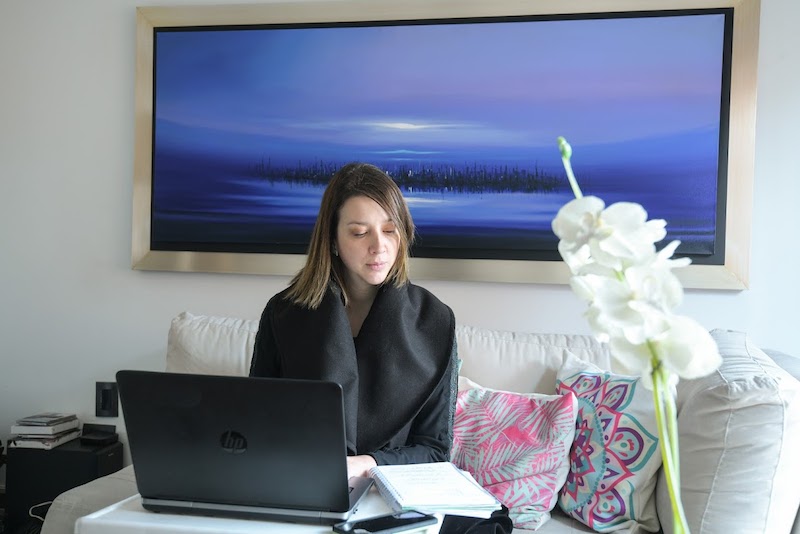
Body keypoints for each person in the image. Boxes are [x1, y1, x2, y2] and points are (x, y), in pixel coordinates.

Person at [250, 162, 458, 479]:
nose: (379, 246)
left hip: (395, 487)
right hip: (302, 480)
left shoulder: (436, 321)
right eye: (360, 233)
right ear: (332, 239)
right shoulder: (284, 313)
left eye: (390, 230)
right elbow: (258, 425)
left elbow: (434, 450)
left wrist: (366, 464)